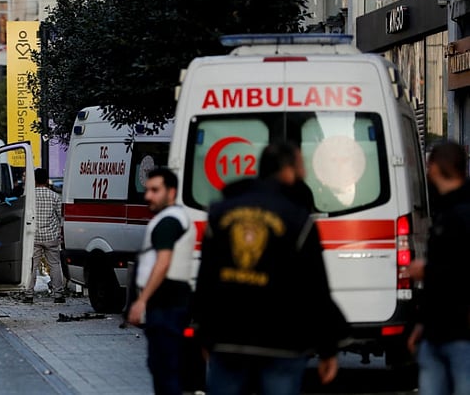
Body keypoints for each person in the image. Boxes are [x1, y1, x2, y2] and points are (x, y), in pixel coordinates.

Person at [193, 142, 346, 395]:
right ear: (287, 171)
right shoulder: (298, 219)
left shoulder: (220, 213)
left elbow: (206, 279)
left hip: (229, 339)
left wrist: (204, 332)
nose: (304, 174)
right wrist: (328, 348)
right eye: (301, 167)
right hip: (282, 342)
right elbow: (315, 289)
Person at [126, 168, 196, 395]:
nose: (148, 196)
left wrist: (141, 301)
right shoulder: (172, 218)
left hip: (167, 306)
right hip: (169, 305)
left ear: (171, 192)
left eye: (155, 190)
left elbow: (163, 262)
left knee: (166, 371)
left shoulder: (169, 221)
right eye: (147, 190)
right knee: (165, 369)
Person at [408, 141, 470, 393]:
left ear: (435, 168)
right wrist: (422, 324)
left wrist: (427, 270)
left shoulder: (459, 213)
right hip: (437, 331)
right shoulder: (447, 209)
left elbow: (459, 270)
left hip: (460, 335)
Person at [23, 168, 65, 304]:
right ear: (47, 180)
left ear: (34, 180)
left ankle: (29, 294)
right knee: (54, 265)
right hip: (51, 237)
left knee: (31, 266)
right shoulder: (55, 196)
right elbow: (60, 217)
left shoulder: (29, 197)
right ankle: (58, 294)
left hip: (33, 237)